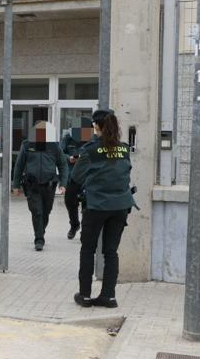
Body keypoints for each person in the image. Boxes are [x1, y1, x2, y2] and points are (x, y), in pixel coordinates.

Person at [73, 108, 135, 309]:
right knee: (111, 251)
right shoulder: (124, 149)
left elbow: (75, 180)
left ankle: (85, 295)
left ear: (96, 126)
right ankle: (109, 296)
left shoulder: (90, 150)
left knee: (88, 249)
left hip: (97, 206)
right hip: (121, 206)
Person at [12, 120, 67, 251]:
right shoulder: (27, 145)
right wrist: (16, 185)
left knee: (46, 212)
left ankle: (40, 230)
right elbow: (19, 166)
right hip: (32, 185)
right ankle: (39, 239)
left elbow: (63, 165)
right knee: (37, 211)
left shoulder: (54, 146)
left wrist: (63, 183)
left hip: (49, 185)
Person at [62, 117, 94, 240]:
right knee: (70, 201)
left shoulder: (91, 140)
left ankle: (85, 230)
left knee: (87, 203)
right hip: (72, 176)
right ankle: (74, 225)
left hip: (86, 177)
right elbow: (60, 153)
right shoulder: (67, 139)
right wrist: (69, 158)